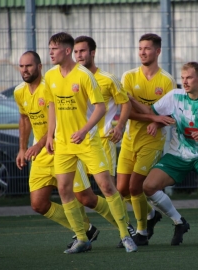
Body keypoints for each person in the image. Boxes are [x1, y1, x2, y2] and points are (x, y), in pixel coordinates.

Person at [14, 51, 120, 251]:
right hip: (42, 153)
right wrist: (22, 148)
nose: (25, 70)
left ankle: (125, 229)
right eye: (21, 66)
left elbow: (60, 120)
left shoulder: (51, 85)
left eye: (28, 66)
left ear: (39, 67)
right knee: (38, 204)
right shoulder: (19, 92)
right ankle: (86, 229)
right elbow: (24, 118)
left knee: (86, 198)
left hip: (63, 147)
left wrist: (39, 143)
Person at [44, 32, 137, 253]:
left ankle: (125, 234)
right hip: (64, 145)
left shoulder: (85, 76)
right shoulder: (50, 76)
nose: (50, 52)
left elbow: (101, 108)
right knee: (65, 189)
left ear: (66, 51)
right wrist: (49, 135)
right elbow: (52, 106)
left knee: (106, 186)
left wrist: (85, 130)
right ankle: (82, 238)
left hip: (88, 141)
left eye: (55, 49)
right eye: (49, 48)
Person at [130, 62, 198, 246]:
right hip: (177, 154)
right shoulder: (174, 95)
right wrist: (151, 119)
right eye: (182, 78)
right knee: (148, 187)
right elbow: (153, 112)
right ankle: (179, 221)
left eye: (189, 77)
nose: (185, 82)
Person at [73, 35, 136, 243]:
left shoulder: (107, 79)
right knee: (77, 193)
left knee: (109, 189)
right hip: (77, 143)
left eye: (82, 51)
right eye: (76, 51)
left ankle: (127, 229)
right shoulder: (71, 79)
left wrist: (120, 125)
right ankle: (84, 230)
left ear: (92, 53)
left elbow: (125, 103)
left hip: (102, 141)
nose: (79, 55)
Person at [117, 33, 177, 246]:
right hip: (129, 138)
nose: (142, 52)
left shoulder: (167, 81)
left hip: (152, 141)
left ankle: (142, 231)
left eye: (147, 48)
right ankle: (151, 213)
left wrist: (157, 122)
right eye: (140, 48)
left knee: (135, 187)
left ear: (158, 51)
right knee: (122, 189)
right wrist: (153, 117)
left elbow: (170, 115)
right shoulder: (129, 77)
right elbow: (128, 112)